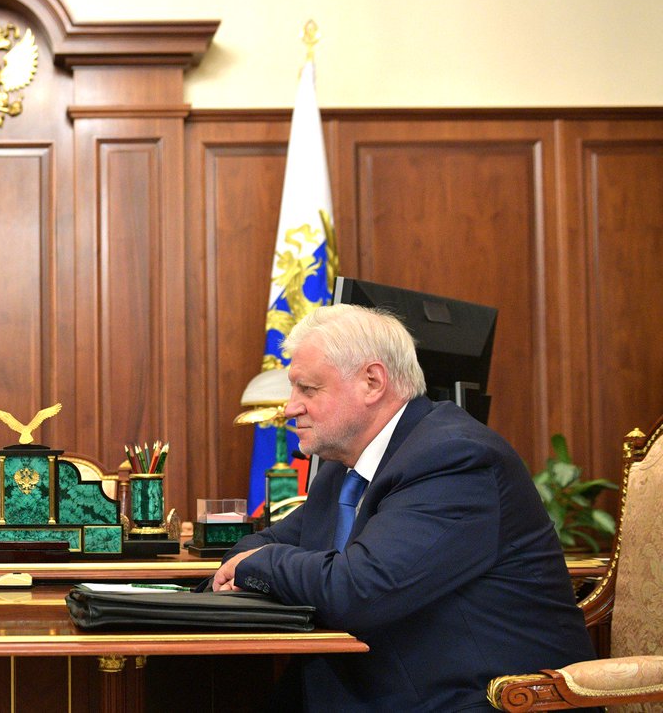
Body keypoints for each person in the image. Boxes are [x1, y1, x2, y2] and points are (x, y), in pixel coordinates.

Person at [211, 304, 594, 711]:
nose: (290, 408)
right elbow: (257, 547)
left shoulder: (454, 458)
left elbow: (358, 590)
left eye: (308, 389)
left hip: (479, 700)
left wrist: (259, 565)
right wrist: (253, 562)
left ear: (372, 382)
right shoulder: (343, 468)